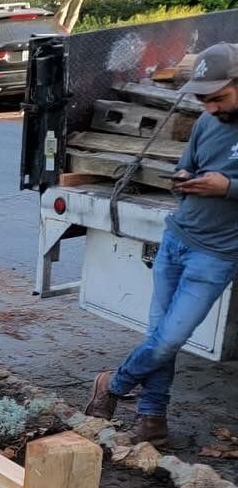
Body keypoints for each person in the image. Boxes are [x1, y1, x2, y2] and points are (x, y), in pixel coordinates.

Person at [85, 41, 238, 445]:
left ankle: (112, 384)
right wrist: (183, 176)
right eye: (203, 99)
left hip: (215, 256)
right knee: (160, 336)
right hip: (177, 239)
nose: (209, 108)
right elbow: (186, 162)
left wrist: (228, 188)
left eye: (218, 98)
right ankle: (152, 421)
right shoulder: (207, 122)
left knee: (170, 338)